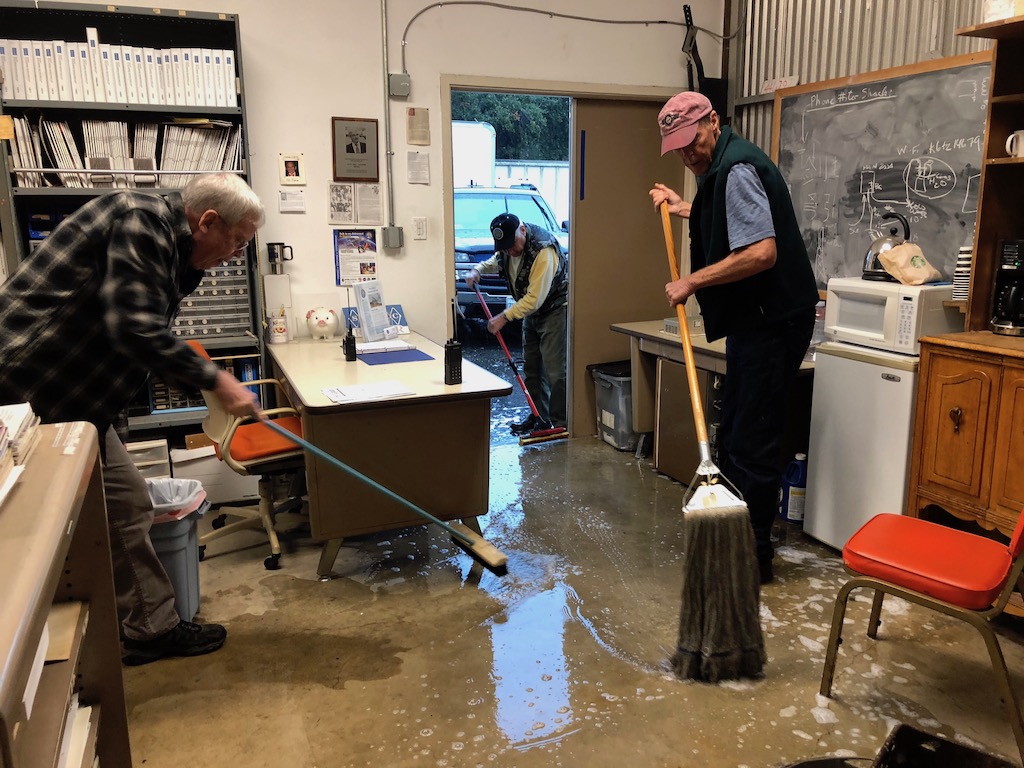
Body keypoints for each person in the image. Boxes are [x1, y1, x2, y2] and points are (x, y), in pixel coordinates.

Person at [0, 172, 266, 664]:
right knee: (34, 535)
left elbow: (131, 339)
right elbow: (133, 329)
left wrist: (202, 381)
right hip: (29, 399)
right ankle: (56, 650)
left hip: (80, 407)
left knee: (125, 507)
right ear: (207, 220)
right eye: (239, 239)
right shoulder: (140, 219)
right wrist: (216, 380)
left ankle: (147, 629)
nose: (237, 254)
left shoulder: (168, 247)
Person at [650, 92, 818, 584]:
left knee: (750, 437)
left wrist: (692, 281)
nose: (688, 153)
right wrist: (686, 208)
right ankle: (742, 540)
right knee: (739, 432)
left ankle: (755, 555)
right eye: (678, 147)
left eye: (692, 140)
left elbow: (761, 253)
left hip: (772, 322)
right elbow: (727, 217)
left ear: (714, 122)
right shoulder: (719, 170)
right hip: (758, 322)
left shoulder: (737, 169)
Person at [466, 213, 568, 434]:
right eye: (504, 247)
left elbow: (534, 299)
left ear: (522, 230)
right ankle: (539, 416)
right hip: (532, 312)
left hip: (554, 309)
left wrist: (503, 317)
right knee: (532, 368)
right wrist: (478, 270)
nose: (510, 251)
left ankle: (561, 423)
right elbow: (497, 261)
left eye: (512, 245)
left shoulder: (544, 251)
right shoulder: (507, 249)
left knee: (556, 371)